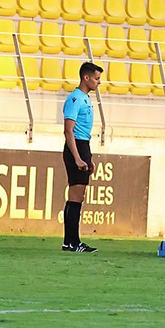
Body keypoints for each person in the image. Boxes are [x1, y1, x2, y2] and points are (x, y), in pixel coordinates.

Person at [61, 62, 102, 253]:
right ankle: (71, 242)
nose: (98, 82)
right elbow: (69, 131)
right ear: (86, 78)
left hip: (83, 145)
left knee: (78, 196)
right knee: (75, 197)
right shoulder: (75, 99)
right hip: (76, 146)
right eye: (96, 78)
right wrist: (77, 157)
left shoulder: (84, 98)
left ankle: (71, 241)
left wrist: (87, 156)